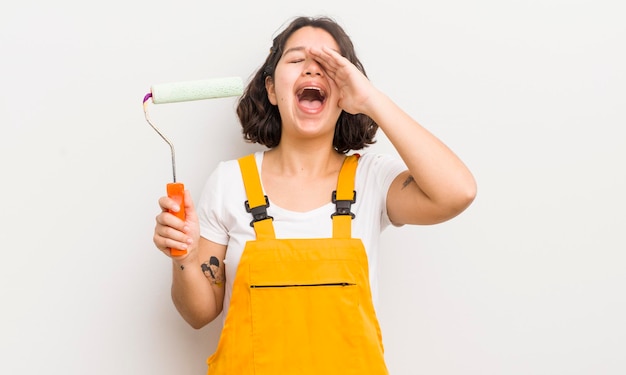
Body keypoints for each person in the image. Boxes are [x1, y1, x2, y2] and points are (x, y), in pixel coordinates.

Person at [153, 15, 476, 375]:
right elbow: (199, 314)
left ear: (346, 91)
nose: (311, 70)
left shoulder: (371, 179)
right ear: (272, 89)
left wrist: (371, 99)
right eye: (296, 60)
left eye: (327, 64)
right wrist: (185, 254)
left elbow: (457, 192)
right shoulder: (229, 183)